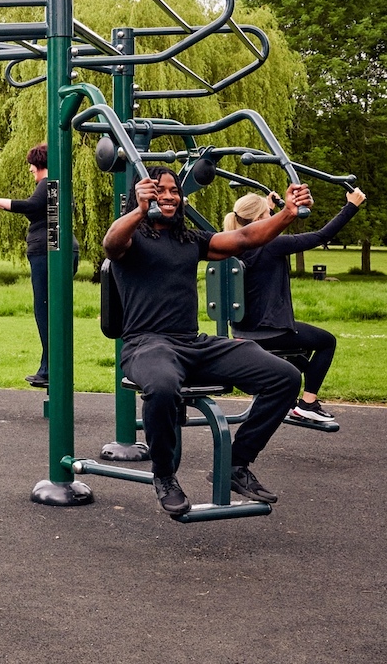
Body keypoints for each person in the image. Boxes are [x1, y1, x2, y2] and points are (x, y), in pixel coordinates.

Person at [103, 167, 313, 517]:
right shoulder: (131, 239)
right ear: (142, 194)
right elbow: (111, 243)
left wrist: (288, 213)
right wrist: (138, 211)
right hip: (146, 345)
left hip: (192, 343)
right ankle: (164, 476)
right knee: (163, 385)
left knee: (285, 377)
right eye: (159, 190)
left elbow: (246, 239)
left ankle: (236, 463)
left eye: (174, 191)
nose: (169, 196)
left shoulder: (190, 241)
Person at [224, 187, 367, 423]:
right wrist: (351, 206)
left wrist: (269, 207)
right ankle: (308, 404)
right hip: (270, 330)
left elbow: (263, 229)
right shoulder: (272, 246)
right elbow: (321, 236)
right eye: (267, 216)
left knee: (302, 349)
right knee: (326, 341)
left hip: (241, 330)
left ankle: (285, 395)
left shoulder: (231, 242)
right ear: (260, 219)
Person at [0, 142, 80, 388]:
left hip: (47, 252)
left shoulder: (48, 184)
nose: (30, 170)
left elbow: (30, 206)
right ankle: (48, 367)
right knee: (53, 310)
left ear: (39, 164)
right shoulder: (59, 187)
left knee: (45, 310)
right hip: (60, 249)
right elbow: (33, 208)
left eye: (32, 166)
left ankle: (51, 368)